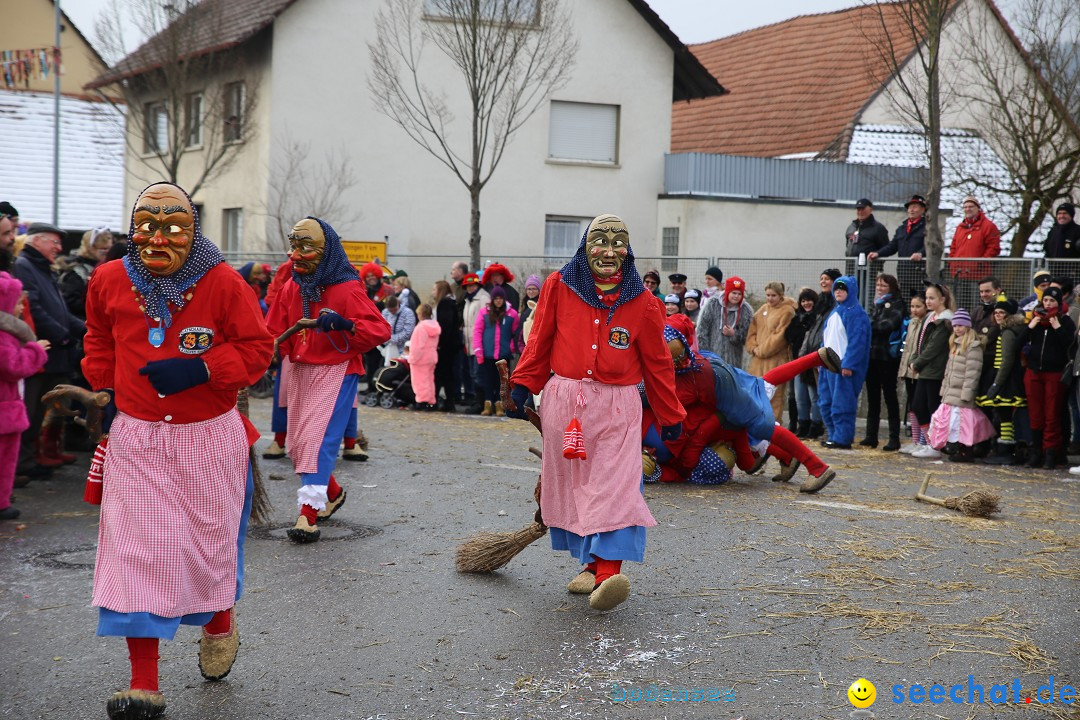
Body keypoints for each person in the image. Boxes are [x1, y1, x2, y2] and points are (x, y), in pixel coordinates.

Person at [81, 182, 274, 718]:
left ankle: (219, 623)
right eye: (148, 224)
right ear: (132, 228)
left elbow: (258, 349)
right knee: (135, 552)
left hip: (208, 436)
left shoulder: (224, 282)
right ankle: (144, 681)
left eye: (173, 226)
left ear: (193, 228)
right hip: (138, 437)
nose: (159, 236)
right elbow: (97, 337)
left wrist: (204, 368)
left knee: (205, 545)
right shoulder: (109, 278)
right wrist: (105, 390)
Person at [506, 214, 685, 612]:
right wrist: (523, 385)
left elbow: (658, 363)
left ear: (629, 249)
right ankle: (589, 564)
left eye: (617, 241)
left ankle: (608, 573)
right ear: (585, 247)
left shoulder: (646, 303)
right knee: (576, 485)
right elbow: (540, 340)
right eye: (599, 241)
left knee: (616, 486)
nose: (608, 250)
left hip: (618, 406)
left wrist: (670, 414)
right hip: (564, 404)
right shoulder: (558, 285)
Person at [266, 216, 391, 543]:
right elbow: (271, 329)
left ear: (326, 250)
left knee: (318, 442)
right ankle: (331, 493)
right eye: (293, 246)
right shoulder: (291, 286)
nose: (295, 255)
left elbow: (380, 330)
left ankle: (307, 515)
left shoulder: (348, 288)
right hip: (300, 369)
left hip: (336, 371)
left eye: (305, 247)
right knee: (297, 444)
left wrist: (346, 325)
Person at [13, 222, 86, 476]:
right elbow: (34, 308)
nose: (58, 247)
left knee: (46, 411)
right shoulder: (25, 266)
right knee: (31, 411)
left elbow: (61, 310)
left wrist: (86, 331)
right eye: (53, 242)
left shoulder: (45, 269)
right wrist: (63, 336)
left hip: (55, 352)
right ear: (35, 241)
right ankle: (23, 466)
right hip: (42, 353)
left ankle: (33, 460)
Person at [0, 272, 49, 521]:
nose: (21, 308)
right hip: (4, 409)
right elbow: (12, 366)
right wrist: (35, 351)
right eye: (18, 303)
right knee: (5, 459)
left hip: (6, 407)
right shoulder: (4, 336)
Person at [927, 309, 995, 463]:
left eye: (960, 326)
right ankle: (958, 448)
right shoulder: (955, 345)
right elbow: (948, 371)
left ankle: (966, 451)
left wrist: (967, 393)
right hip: (952, 392)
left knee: (963, 425)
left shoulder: (972, 346)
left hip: (962, 394)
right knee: (952, 423)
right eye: (955, 325)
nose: (957, 328)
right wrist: (944, 389)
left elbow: (972, 372)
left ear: (968, 327)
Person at [1023, 285, 1076, 468]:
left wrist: (1058, 328)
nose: (1047, 303)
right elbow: (1019, 342)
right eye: (1045, 300)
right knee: (1036, 413)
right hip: (1034, 371)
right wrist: (1030, 327)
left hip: (1054, 373)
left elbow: (1070, 346)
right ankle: (1036, 452)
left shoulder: (1065, 322)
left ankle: (1051, 453)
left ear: (1059, 302)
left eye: (1052, 301)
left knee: (1052, 414)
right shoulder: (1036, 319)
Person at [817, 276, 871, 450]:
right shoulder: (835, 312)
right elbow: (825, 339)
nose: (838, 291)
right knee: (825, 403)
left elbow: (858, 342)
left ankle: (843, 438)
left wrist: (849, 364)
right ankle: (833, 435)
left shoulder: (857, 314)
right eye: (836, 288)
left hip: (843, 368)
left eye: (842, 288)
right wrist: (820, 360)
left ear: (851, 291)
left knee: (842, 404)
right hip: (828, 367)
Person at [977, 296, 1027, 465]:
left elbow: (1006, 361)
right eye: (996, 312)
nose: (998, 315)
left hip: (1007, 379)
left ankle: (1006, 449)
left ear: (1009, 314)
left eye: (1002, 312)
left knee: (1005, 414)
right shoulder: (1007, 329)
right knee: (1003, 414)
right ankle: (1003, 447)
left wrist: (996, 384)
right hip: (1005, 376)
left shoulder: (1008, 332)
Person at [907, 282, 955, 459]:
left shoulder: (945, 320)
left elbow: (933, 347)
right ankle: (929, 442)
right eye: (927, 297)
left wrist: (917, 362)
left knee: (932, 408)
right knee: (919, 406)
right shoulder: (931, 317)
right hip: (925, 369)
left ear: (942, 299)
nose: (928, 301)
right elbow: (921, 344)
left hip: (935, 371)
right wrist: (914, 359)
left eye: (931, 298)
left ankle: (936, 445)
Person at [862, 274, 906, 450]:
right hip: (872, 355)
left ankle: (894, 437)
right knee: (873, 396)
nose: (879, 288)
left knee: (889, 395)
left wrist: (868, 325)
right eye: (878, 285)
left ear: (892, 287)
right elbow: (872, 323)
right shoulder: (877, 304)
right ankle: (871, 435)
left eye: (884, 285)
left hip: (887, 356)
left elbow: (885, 326)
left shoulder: (897, 304)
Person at [798, 269, 842, 440]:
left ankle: (826, 429)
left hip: (825, 356)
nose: (823, 282)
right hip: (813, 353)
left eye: (827, 279)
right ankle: (819, 428)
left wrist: (821, 355)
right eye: (821, 279)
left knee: (823, 396)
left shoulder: (835, 305)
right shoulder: (821, 304)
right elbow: (812, 333)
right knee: (815, 396)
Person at [746, 281, 796, 422]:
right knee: (755, 392)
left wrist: (762, 350)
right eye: (767, 295)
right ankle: (755, 423)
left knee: (775, 394)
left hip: (776, 359)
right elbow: (752, 329)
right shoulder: (762, 309)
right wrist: (752, 346)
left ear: (780, 295)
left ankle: (773, 425)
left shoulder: (787, 311)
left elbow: (780, 336)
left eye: (773, 295)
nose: (770, 298)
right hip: (758, 359)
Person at [473, 285, 519, 416]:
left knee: (502, 382)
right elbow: (478, 331)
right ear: (492, 300)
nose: (498, 301)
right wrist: (478, 350)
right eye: (496, 298)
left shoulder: (512, 314)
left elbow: (515, 333)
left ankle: (500, 404)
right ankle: (488, 404)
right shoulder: (484, 313)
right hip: (488, 353)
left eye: (500, 298)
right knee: (488, 380)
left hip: (504, 354)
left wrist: (511, 347)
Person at [869, 194, 926, 299]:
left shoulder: (927, 227)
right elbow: (892, 246)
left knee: (919, 302)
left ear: (923, 209)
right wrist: (878, 253)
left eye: (915, 207)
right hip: (903, 273)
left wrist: (920, 253)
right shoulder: (901, 229)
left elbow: (931, 247)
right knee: (905, 302)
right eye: (910, 207)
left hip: (919, 274)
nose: (911, 210)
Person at [947, 196, 1001, 309]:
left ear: (978, 208)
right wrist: (952, 263)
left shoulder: (988, 226)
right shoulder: (960, 228)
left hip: (979, 276)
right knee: (960, 306)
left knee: (979, 306)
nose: (968, 209)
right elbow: (953, 247)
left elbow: (993, 248)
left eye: (971, 206)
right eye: (965, 207)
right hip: (960, 274)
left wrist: (980, 263)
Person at [697, 276, 752, 369]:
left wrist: (734, 334)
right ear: (727, 292)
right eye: (734, 293)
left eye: (739, 294)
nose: (736, 296)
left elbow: (747, 337)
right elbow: (702, 330)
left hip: (734, 359)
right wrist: (705, 354)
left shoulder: (746, 310)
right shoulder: (712, 304)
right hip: (712, 356)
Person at [58, 227, 113, 319]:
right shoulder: (77, 271)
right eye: (103, 249)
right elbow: (71, 302)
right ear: (90, 248)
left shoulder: (103, 266)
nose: (107, 253)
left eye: (110, 249)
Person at [898, 292, 929, 454]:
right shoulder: (911, 323)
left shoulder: (926, 323)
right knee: (912, 406)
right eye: (912, 306)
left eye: (918, 306)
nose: (914, 310)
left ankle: (925, 441)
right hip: (908, 370)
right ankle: (915, 440)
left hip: (918, 371)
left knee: (920, 405)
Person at [786, 287, 819, 437]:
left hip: (811, 362)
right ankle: (802, 423)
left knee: (814, 396)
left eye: (809, 300)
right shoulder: (797, 318)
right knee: (799, 397)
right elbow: (789, 334)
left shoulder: (817, 318)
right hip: (798, 361)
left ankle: (816, 425)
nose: (806, 303)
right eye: (803, 301)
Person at [460, 273, 490, 413]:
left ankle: (481, 403)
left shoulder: (483, 298)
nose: (470, 288)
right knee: (473, 374)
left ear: (477, 285)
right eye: (468, 286)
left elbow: (486, 322)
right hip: (470, 343)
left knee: (479, 375)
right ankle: (477, 401)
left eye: (472, 285)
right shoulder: (468, 300)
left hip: (479, 344)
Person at [432, 279, 461, 411]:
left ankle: (442, 401)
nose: (433, 292)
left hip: (446, 346)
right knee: (447, 374)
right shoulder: (450, 303)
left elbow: (445, 325)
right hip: (450, 345)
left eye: (435, 289)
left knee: (442, 374)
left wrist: (440, 343)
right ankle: (447, 401)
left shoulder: (445, 304)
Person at [409, 303, 440, 410]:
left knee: (419, 381)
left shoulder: (420, 328)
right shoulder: (435, 326)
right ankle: (431, 401)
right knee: (429, 380)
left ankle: (421, 401)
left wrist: (412, 358)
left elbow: (417, 346)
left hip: (420, 358)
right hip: (432, 356)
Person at [382, 294, 416, 359]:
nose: (393, 312)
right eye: (390, 310)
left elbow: (408, 332)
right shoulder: (385, 312)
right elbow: (382, 329)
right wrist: (385, 339)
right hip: (388, 348)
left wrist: (391, 339)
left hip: (403, 349)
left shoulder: (408, 313)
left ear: (398, 304)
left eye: (395, 309)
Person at [519, 274, 542, 347]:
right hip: (522, 342)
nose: (531, 291)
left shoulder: (539, 305)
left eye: (534, 289)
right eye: (529, 289)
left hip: (530, 342)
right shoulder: (525, 304)